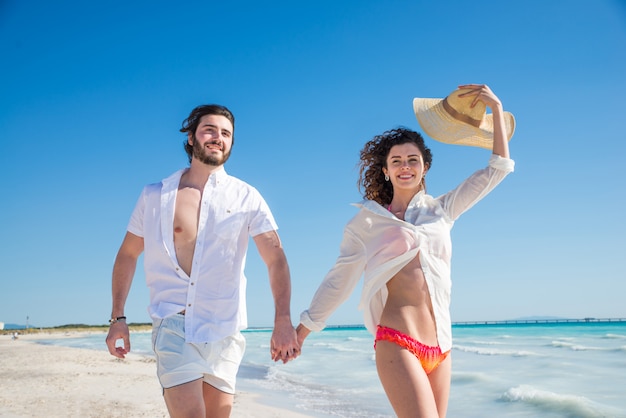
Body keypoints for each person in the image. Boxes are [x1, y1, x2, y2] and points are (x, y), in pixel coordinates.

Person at [296, 84, 515, 418]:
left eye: (413, 159)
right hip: (397, 340)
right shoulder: (366, 223)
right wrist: (302, 330)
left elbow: (498, 167)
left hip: (442, 346)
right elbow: (339, 280)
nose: (405, 166)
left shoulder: (443, 210)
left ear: (425, 166)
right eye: (396, 161)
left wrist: (496, 110)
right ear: (386, 170)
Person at [105, 104, 299, 418]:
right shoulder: (155, 195)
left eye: (226, 133)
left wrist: (282, 321)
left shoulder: (247, 197)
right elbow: (128, 254)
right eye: (209, 129)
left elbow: (276, 258)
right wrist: (118, 319)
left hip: (225, 329)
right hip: (174, 325)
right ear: (192, 136)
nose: (217, 137)